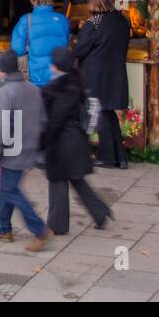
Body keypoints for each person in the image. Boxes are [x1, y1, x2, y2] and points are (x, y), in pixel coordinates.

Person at [0, 49, 51, 250]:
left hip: (11, 150)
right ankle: (2, 228)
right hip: (29, 145)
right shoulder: (33, 89)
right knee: (6, 187)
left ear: (2, 70)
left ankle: (39, 229)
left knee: (10, 189)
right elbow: (43, 119)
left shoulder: (4, 92)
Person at [43, 47, 112, 234]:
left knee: (57, 183)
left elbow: (55, 121)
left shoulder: (58, 90)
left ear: (57, 67)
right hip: (76, 141)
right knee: (77, 181)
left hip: (62, 144)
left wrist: (43, 142)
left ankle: (57, 225)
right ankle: (100, 212)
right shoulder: (77, 81)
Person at [73, 0, 130, 170]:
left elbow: (80, 50)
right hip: (116, 73)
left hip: (96, 75)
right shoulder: (122, 20)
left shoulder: (94, 23)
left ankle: (107, 157)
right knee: (108, 113)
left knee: (102, 116)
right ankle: (119, 156)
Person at [11, 0, 71, 87]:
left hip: (34, 78)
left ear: (34, 1)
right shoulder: (63, 20)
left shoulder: (26, 20)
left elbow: (17, 49)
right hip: (59, 78)